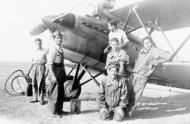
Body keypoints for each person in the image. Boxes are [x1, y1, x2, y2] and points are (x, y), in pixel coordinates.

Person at [127, 37, 170, 116]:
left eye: (148, 42)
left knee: (136, 94)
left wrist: (155, 62)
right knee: (128, 90)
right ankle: (124, 108)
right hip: (134, 74)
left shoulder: (156, 50)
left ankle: (130, 110)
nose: (147, 44)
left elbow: (168, 57)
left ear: (151, 42)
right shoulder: (142, 50)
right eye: (145, 43)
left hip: (142, 76)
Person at [47, 31, 67, 118]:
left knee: (61, 93)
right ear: (54, 39)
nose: (60, 39)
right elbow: (50, 64)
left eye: (60, 37)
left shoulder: (60, 49)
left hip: (60, 71)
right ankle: (53, 112)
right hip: (54, 71)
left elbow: (62, 62)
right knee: (54, 93)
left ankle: (59, 110)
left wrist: (64, 73)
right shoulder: (52, 49)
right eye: (57, 38)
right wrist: (53, 76)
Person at [30, 38, 47, 105]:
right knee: (34, 83)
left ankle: (41, 99)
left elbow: (47, 60)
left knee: (41, 83)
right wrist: (34, 63)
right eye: (37, 43)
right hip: (34, 67)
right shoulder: (33, 51)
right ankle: (35, 98)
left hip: (41, 67)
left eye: (40, 43)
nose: (38, 44)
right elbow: (32, 60)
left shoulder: (44, 50)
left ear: (41, 43)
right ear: (35, 44)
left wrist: (42, 62)